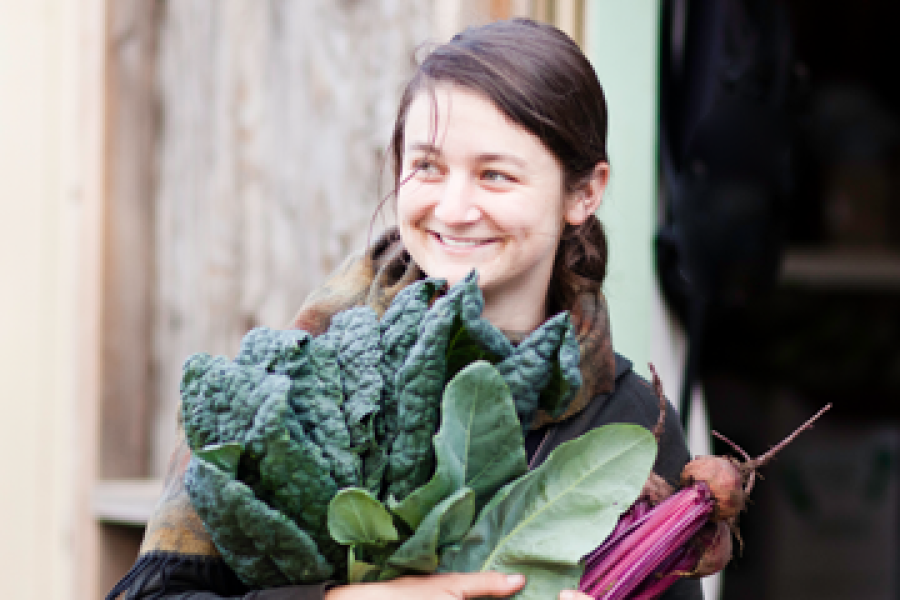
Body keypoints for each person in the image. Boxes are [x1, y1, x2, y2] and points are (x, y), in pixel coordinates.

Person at [108, 18, 702, 600]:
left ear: (584, 193)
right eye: (427, 167)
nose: (454, 206)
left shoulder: (633, 420)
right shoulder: (284, 382)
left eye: (495, 175)